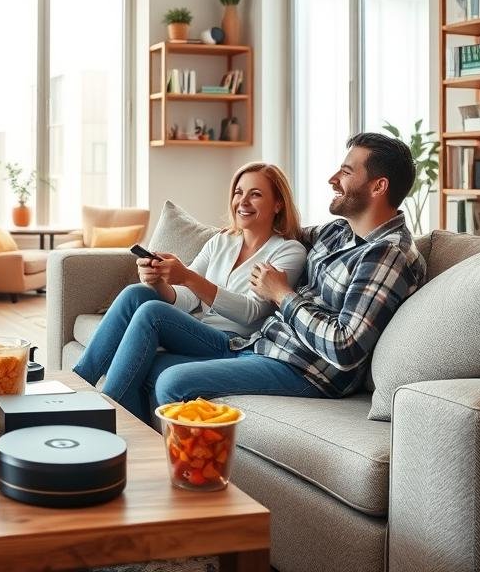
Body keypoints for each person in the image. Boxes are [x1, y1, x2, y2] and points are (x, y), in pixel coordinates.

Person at [111, 133, 426, 426]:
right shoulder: (339, 231)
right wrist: (233, 233)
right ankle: (121, 443)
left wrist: (283, 295)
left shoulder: (387, 254)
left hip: (306, 370)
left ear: (378, 186)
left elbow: (344, 348)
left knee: (171, 381)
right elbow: (275, 231)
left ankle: (183, 475)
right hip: (264, 346)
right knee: (148, 363)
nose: (332, 179)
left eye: (345, 172)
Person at [73, 162, 307, 421]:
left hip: (236, 343)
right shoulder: (222, 241)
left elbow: (251, 312)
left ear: (278, 204)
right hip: (201, 332)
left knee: (153, 313)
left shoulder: (288, 251)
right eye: (238, 192)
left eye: (256, 194)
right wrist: (159, 281)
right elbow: (186, 299)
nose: (243, 201)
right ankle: (76, 385)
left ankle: (103, 414)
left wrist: (188, 277)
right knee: (137, 294)